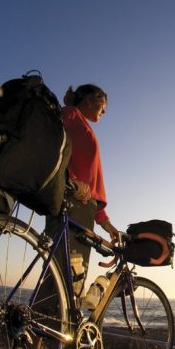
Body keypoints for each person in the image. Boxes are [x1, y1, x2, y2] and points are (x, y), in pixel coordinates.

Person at [44, 84, 120, 293]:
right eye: (102, 105)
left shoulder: (82, 124)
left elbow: (92, 182)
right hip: (72, 199)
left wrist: (106, 223)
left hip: (84, 206)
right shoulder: (71, 114)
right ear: (90, 99)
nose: (104, 112)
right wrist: (71, 178)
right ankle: (48, 321)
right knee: (66, 273)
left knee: (72, 272)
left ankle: (53, 320)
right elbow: (51, 141)